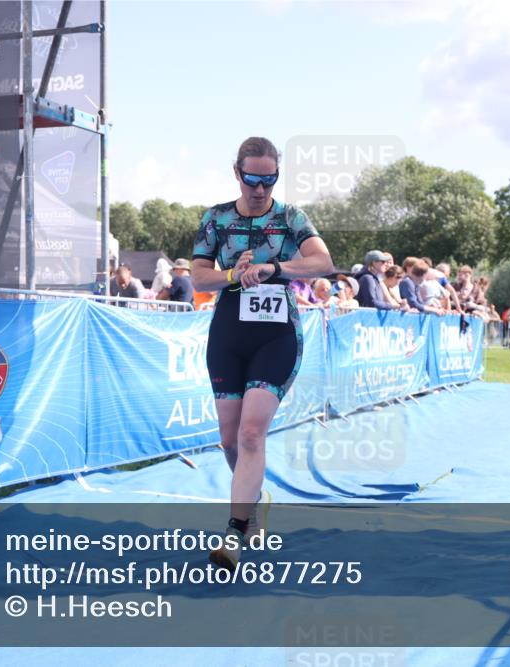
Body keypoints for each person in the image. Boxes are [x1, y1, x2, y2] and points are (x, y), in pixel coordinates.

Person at [191, 137, 332, 572]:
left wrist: (275, 269)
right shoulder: (216, 218)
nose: (260, 188)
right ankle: (256, 499)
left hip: (276, 335)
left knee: (253, 434)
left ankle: (235, 533)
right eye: (252, 179)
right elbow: (199, 276)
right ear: (238, 173)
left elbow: (324, 262)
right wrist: (234, 273)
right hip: (229, 332)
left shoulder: (290, 217)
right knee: (230, 439)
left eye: (269, 180)